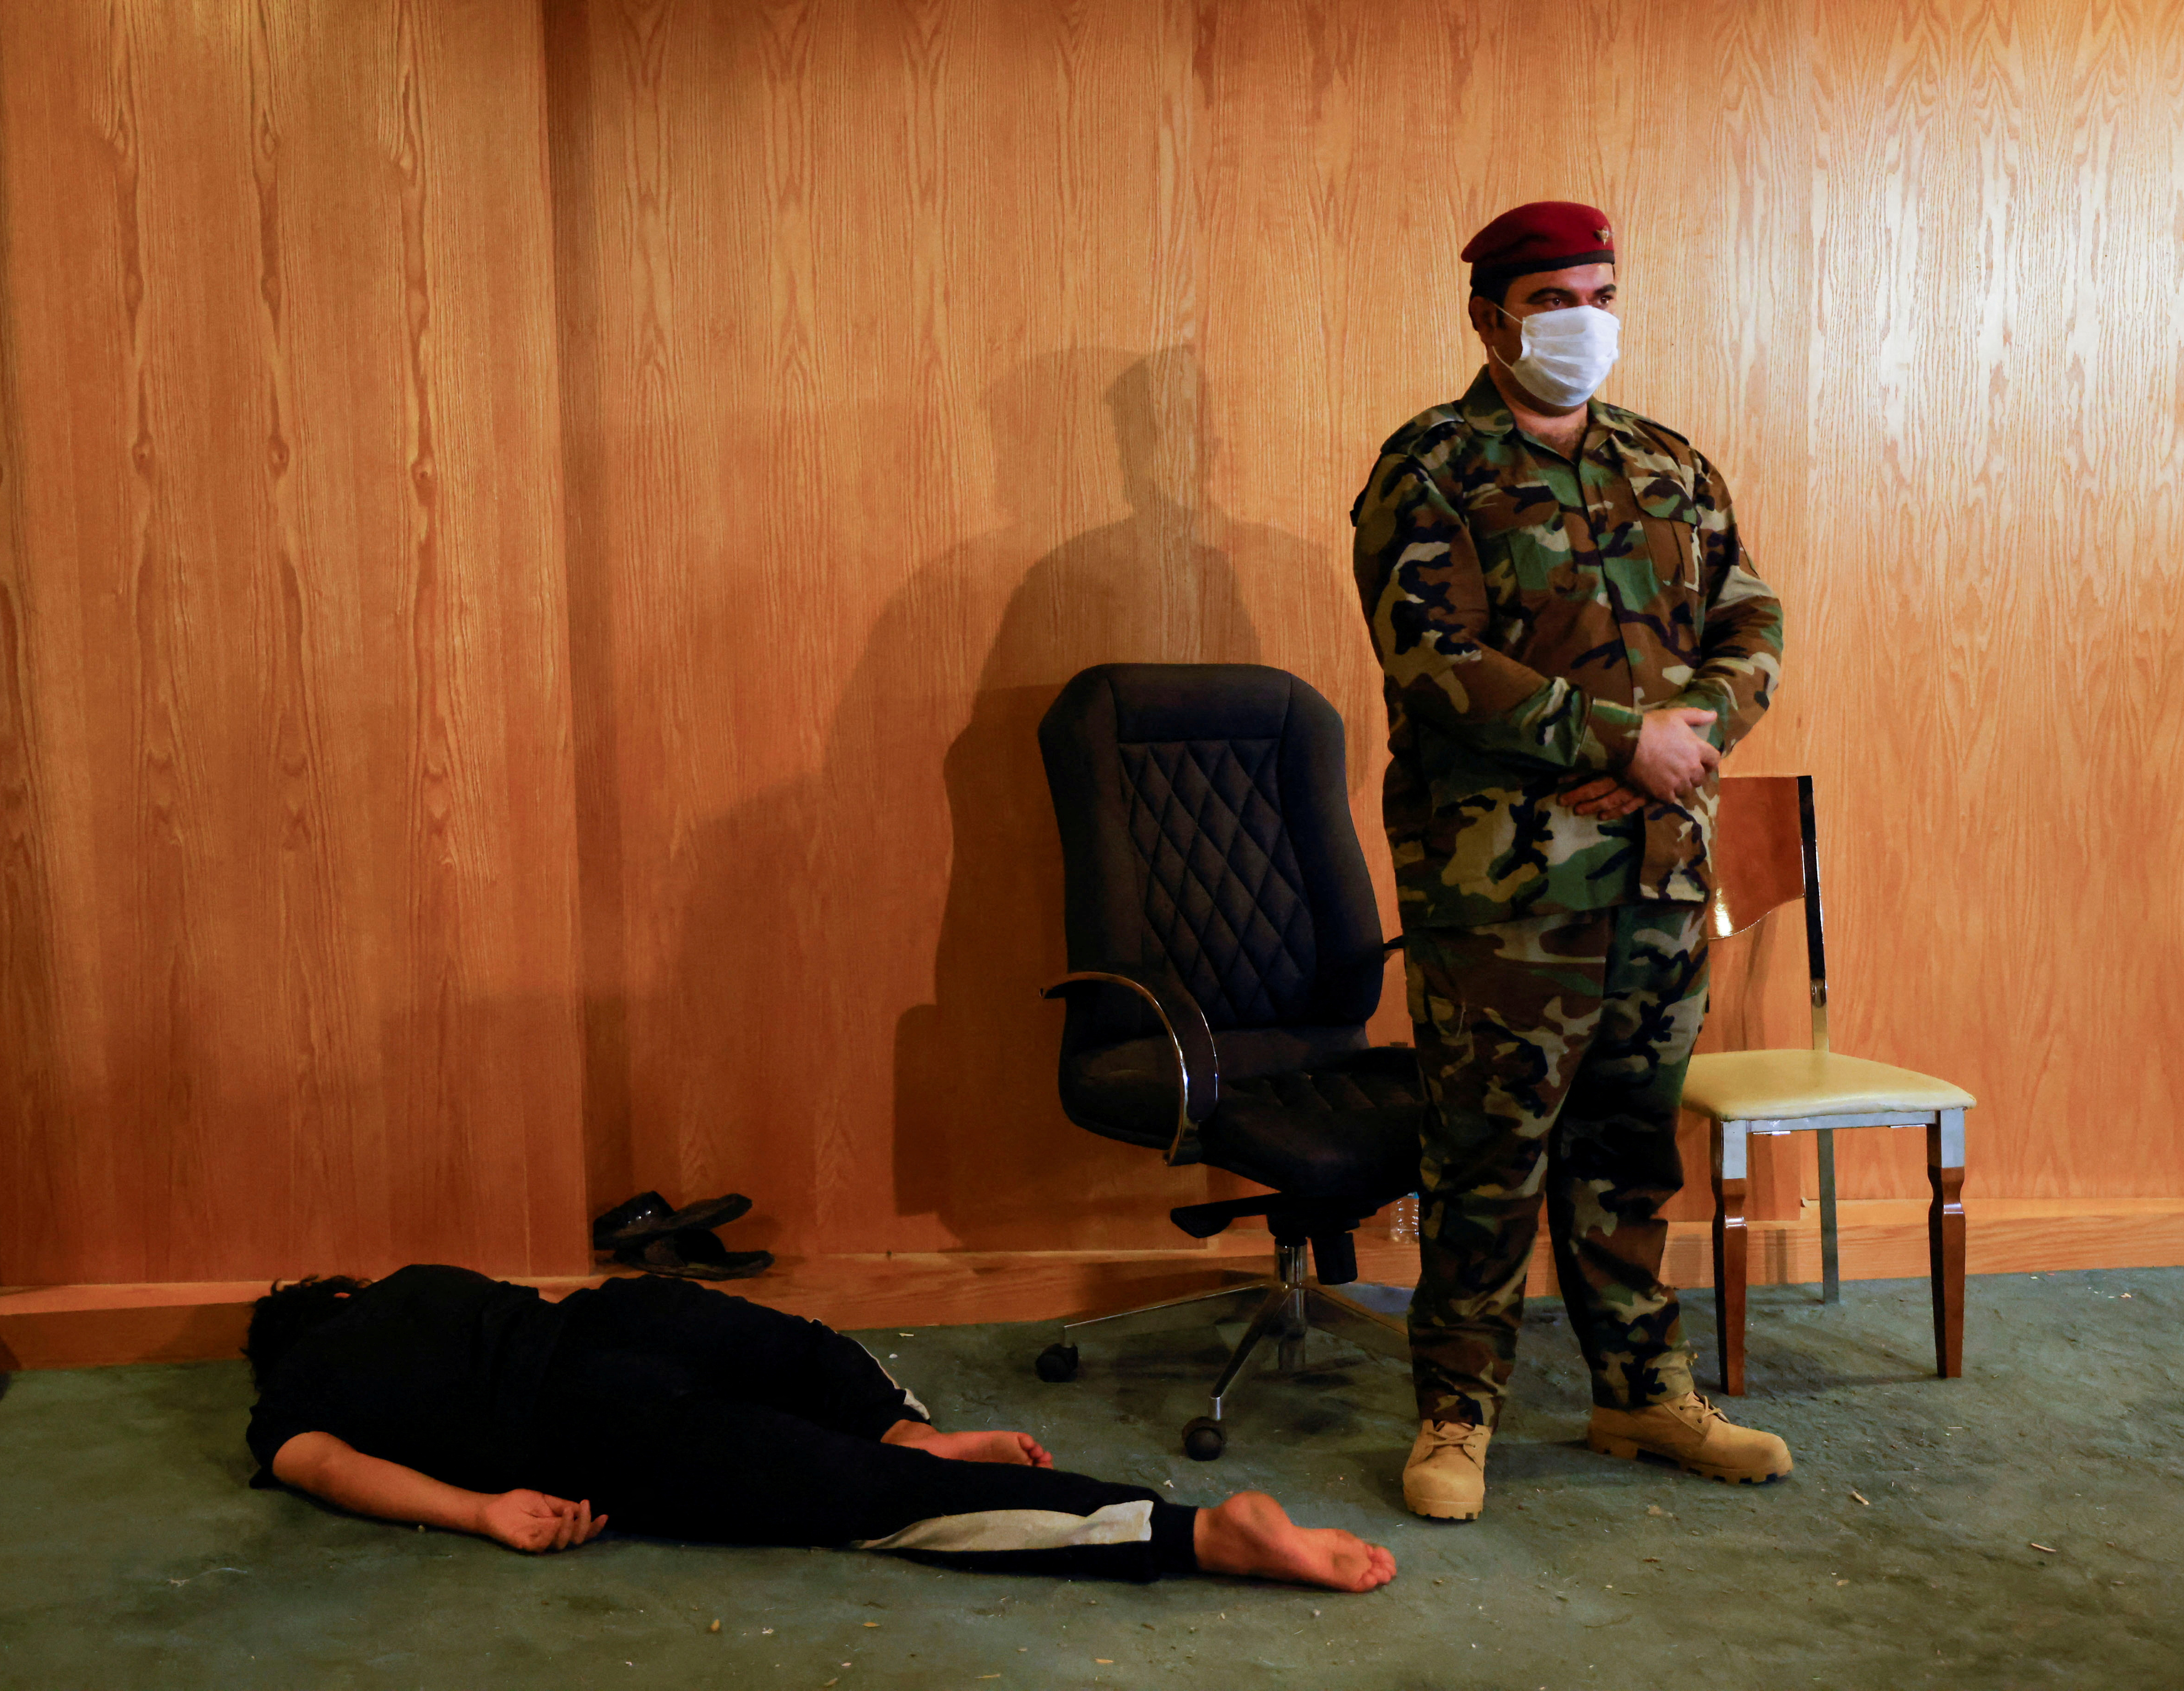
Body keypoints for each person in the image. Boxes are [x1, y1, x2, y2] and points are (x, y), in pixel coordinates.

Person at [1348, 201, 1793, 1522]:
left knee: (1625, 1147)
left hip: (1658, 876)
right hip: (1503, 886)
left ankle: (1638, 1388)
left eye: (1600, 294)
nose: (1582, 322)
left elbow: (1749, 611)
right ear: (1488, 317)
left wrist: (1693, 735)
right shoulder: (1428, 467)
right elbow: (1435, 661)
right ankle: (1455, 1408)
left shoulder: (1668, 463)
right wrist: (1614, 736)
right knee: (1483, 1157)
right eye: (1553, 300)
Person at [243, 1264, 1395, 1590]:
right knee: (806, 1351)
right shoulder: (414, 1280)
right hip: (627, 1312)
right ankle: (900, 1424)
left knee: (865, 1504)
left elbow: (327, 1469)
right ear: (340, 1294)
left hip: (582, 1422)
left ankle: (1199, 1537)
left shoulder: (291, 1392)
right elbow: (543, 1305)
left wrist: (482, 1508)